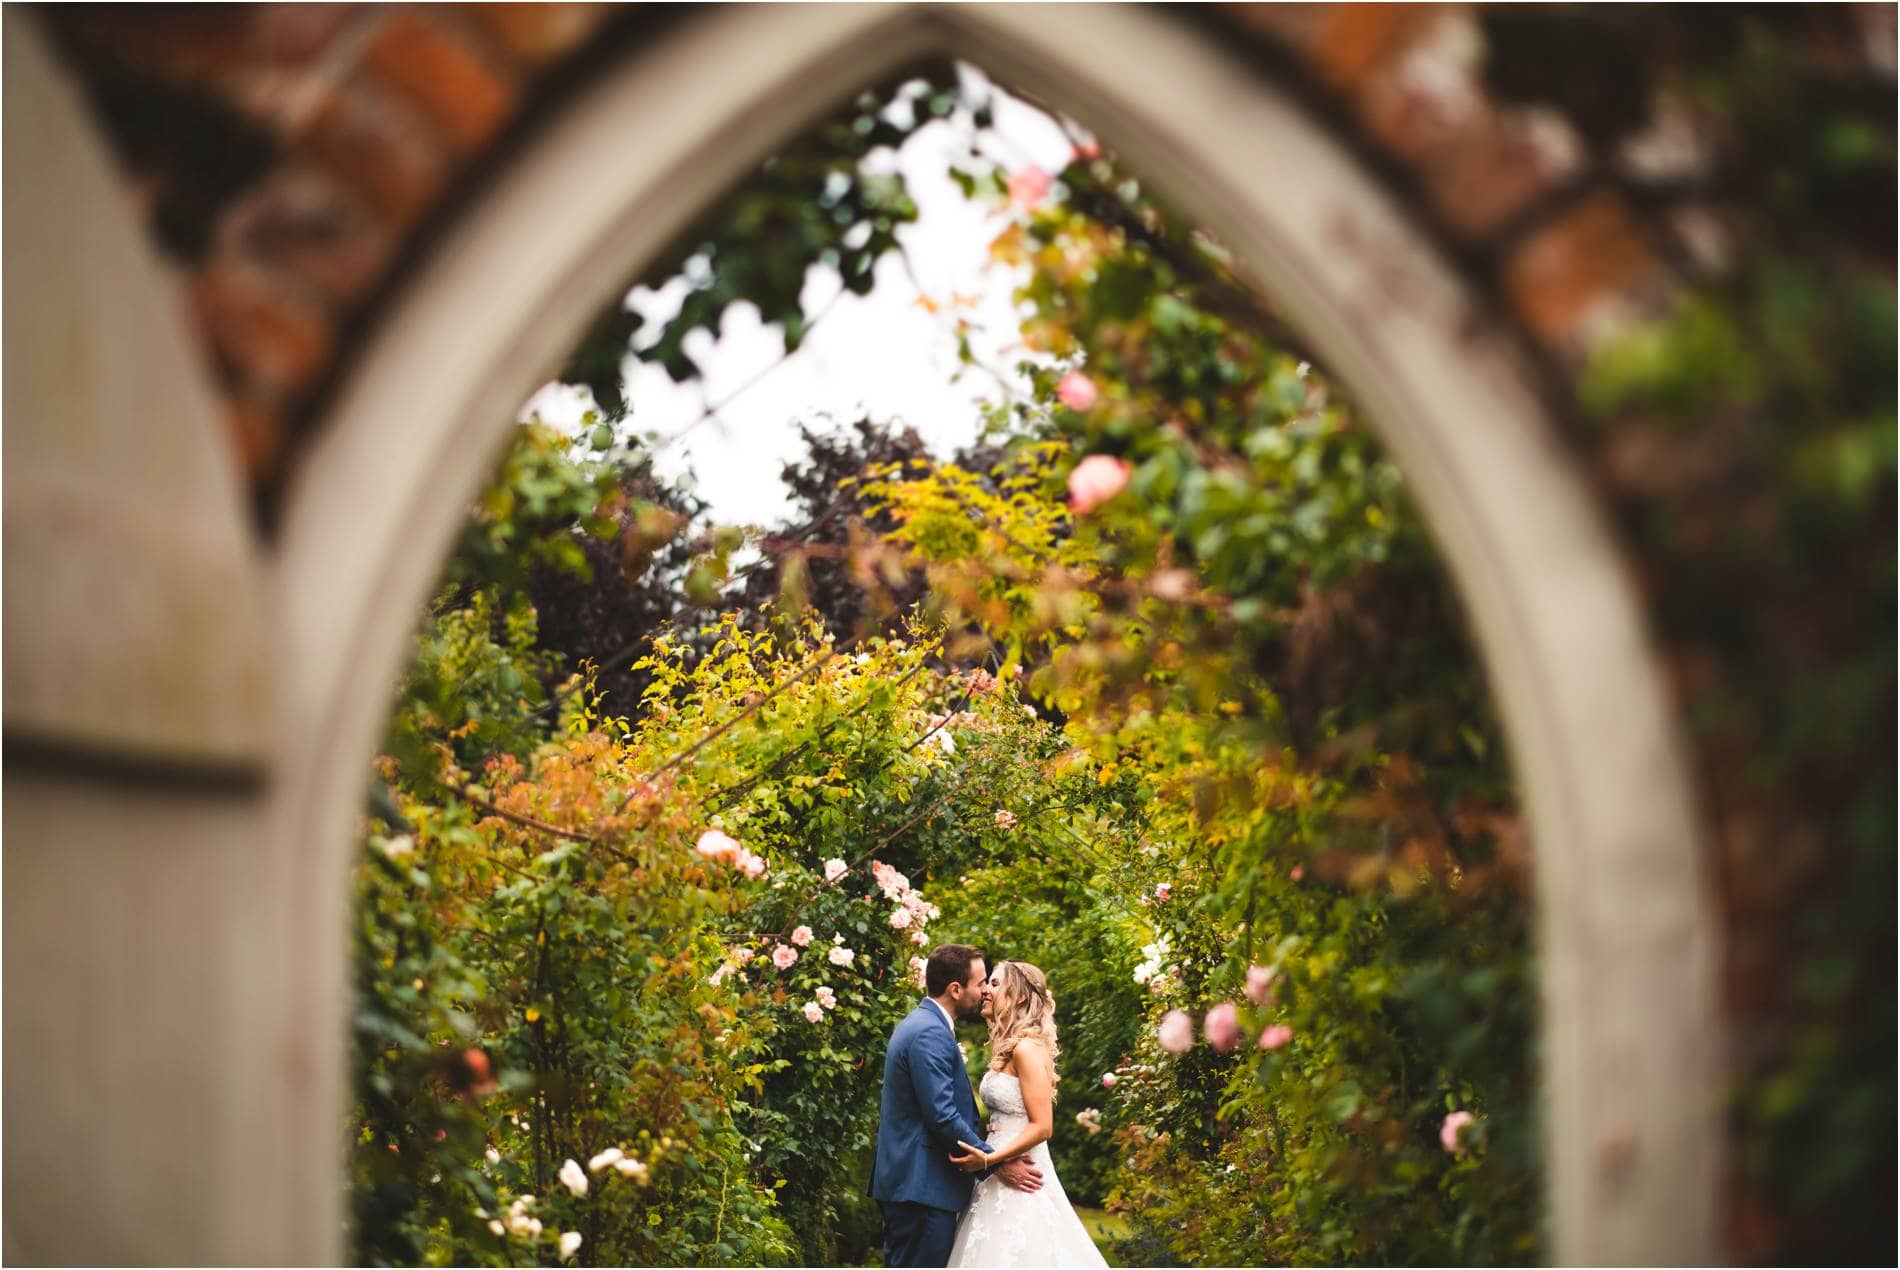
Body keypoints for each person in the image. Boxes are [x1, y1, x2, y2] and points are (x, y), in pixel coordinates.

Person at [872, 944, 1045, 1267]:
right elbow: (941, 1114)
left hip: (918, 1185)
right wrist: (992, 1162)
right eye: (981, 983)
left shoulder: (925, 1025)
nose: (985, 991)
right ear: (955, 989)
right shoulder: (928, 1033)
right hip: (919, 1186)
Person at [944, 960, 1108, 1267]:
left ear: (1020, 996)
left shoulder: (1028, 1049)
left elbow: (1043, 1126)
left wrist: (991, 1160)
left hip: (1023, 1174)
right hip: (999, 1172)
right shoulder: (1010, 1047)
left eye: (994, 984)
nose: (985, 991)